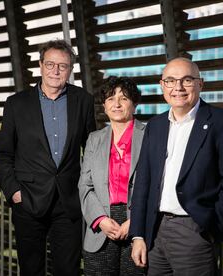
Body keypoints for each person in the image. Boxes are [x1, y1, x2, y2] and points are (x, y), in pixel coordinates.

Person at [129, 57, 223, 275]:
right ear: (162, 85)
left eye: (186, 80)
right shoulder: (154, 126)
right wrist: (138, 235)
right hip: (154, 231)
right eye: (171, 81)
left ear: (200, 84)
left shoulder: (222, 122)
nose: (178, 87)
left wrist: (213, 229)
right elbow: (142, 184)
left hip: (194, 231)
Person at [0, 39, 96, 276]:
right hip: (27, 199)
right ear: (40, 65)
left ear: (70, 70)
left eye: (63, 66)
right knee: (31, 270)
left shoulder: (83, 100)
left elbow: (91, 150)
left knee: (68, 270)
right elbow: (3, 154)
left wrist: (86, 190)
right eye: (50, 64)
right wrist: (14, 192)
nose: (55, 71)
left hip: (68, 202)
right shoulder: (16, 103)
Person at [78, 76, 145, 276]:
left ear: (134, 104)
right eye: (110, 99)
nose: (116, 104)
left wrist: (136, 221)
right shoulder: (94, 139)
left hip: (136, 223)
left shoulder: (150, 135)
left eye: (123, 98)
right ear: (105, 107)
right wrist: (100, 219)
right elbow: (85, 185)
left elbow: (157, 185)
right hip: (101, 224)